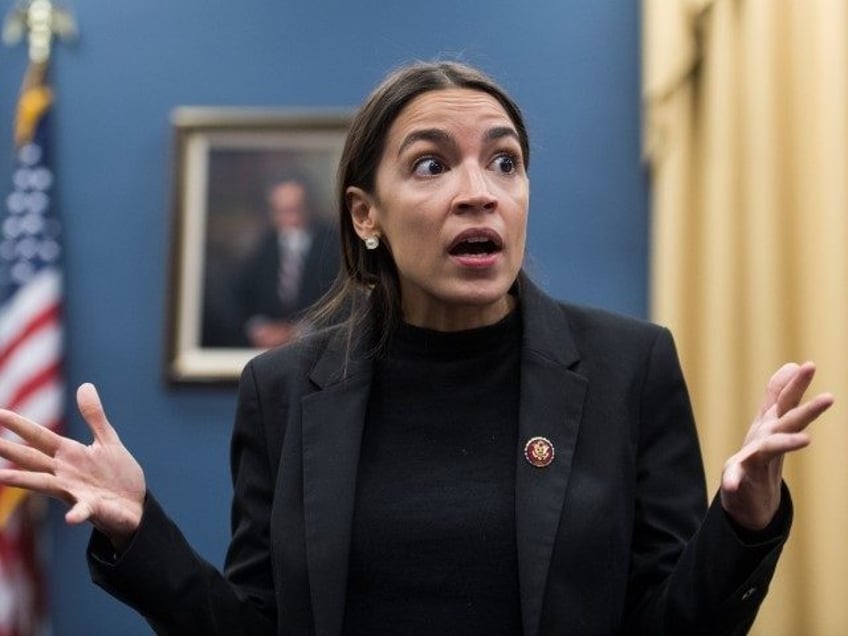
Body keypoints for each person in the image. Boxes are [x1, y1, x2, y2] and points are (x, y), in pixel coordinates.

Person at [0, 61, 835, 635]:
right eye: (432, 165)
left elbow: (674, 626)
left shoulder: (629, 367)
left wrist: (743, 521)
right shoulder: (284, 390)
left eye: (504, 163)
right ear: (366, 215)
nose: (480, 192)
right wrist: (140, 533)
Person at [233, 175, 340, 349]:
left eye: (296, 210)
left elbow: (341, 299)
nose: (291, 220)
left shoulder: (332, 244)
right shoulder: (261, 248)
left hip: (318, 346)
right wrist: (258, 327)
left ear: (310, 208)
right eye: (282, 211)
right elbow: (240, 298)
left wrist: (302, 331)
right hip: (265, 348)